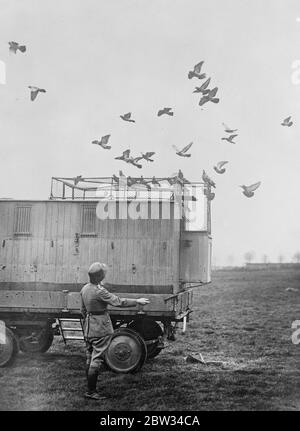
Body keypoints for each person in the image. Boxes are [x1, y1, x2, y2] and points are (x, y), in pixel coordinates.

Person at [80, 262, 150, 400]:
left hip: (88, 326)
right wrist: (137, 301)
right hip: (100, 327)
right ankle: (91, 391)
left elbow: (82, 310)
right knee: (97, 358)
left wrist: (90, 320)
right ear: (100, 276)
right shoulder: (100, 291)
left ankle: (88, 387)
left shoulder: (85, 288)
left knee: (89, 355)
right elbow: (119, 302)